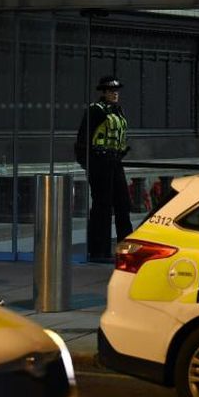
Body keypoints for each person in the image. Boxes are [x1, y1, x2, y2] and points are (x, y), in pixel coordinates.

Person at [75, 76, 133, 262]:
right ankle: (99, 250)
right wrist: (88, 163)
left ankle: (127, 249)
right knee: (102, 206)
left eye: (116, 91)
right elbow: (83, 138)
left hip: (115, 161)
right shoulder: (96, 110)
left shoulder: (118, 110)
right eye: (110, 91)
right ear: (103, 92)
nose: (115, 94)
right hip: (100, 162)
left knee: (123, 204)